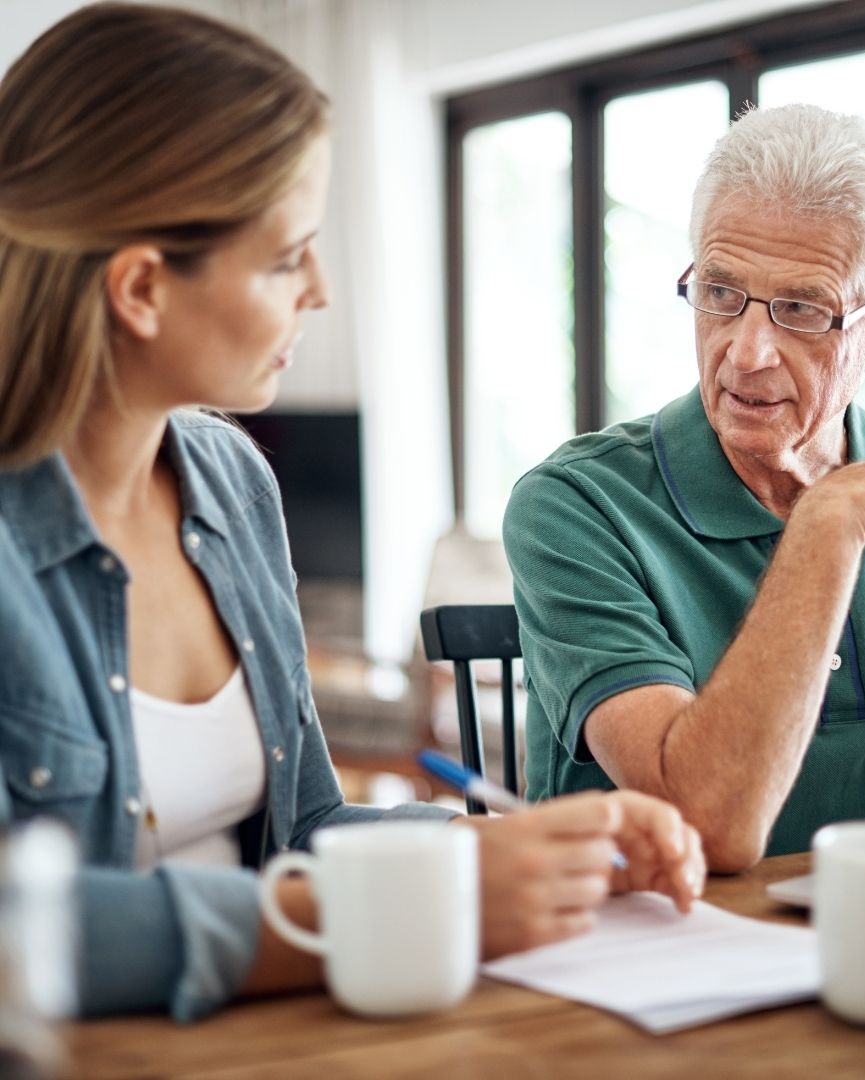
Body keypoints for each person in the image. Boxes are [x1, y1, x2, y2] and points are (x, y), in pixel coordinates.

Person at [0, 3, 705, 1022]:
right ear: (142, 288)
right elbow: (19, 932)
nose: (322, 291)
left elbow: (306, 830)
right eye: (287, 257)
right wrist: (407, 910)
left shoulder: (231, 485)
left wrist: (511, 849)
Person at [503, 103, 865, 872]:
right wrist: (835, 516)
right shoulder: (575, 505)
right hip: (655, 942)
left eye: (802, 309)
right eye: (720, 292)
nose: (746, 353)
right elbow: (710, 829)